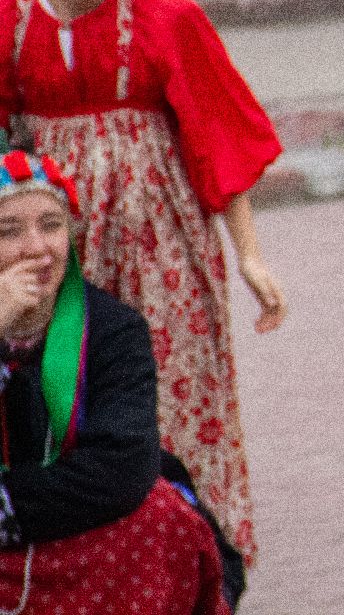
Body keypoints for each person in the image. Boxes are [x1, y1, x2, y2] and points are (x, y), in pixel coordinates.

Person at [0, 0, 285, 562]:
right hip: (53, 240)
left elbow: (217, 136)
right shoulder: (8, 25)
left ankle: (196, 543)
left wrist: (249, 254)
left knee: (173, 378)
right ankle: (76, 542)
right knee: (62, 374)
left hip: (162, 240)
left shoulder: (167, 15)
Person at [0, 149, 231, 615]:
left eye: (51, 225)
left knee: (163, 517)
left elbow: (122, 467)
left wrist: (7, 507)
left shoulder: (112, 329)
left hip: (74, 522)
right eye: (9, 231)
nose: (37, 248)